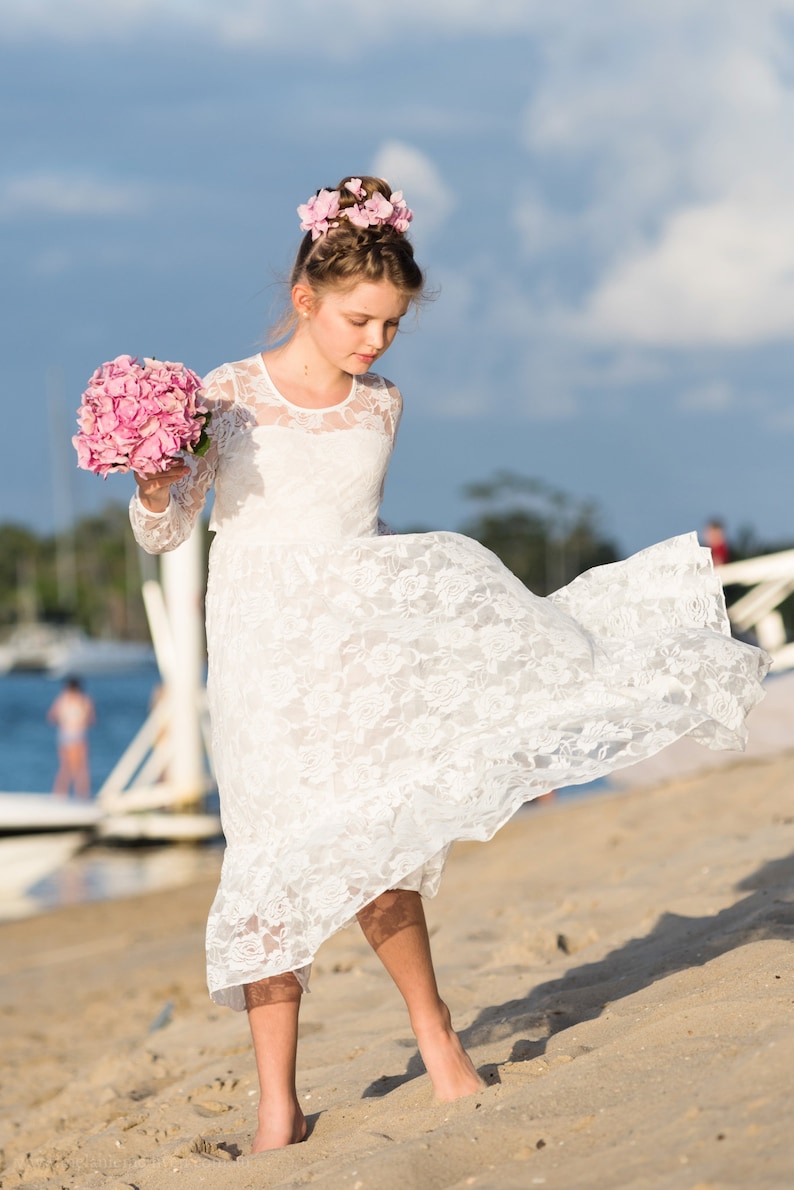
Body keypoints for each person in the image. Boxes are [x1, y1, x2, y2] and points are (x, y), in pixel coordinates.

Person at [129, 175, 769, 1152]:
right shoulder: (227, 396)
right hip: (260, 658)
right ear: (305, 298)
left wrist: (442, 632)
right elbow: (165, 532)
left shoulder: (380, 406)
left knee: (381, 853)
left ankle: (438, 1043)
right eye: (358, 320)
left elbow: (363, 534)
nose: (375, 341)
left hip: (355, 652)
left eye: (391, 324)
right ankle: (275, 1107)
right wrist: (155, 481)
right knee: (268, 860)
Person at [47, 676, 96, 798]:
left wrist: (63, 722)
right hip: (78, 736)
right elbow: (92, 719)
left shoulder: (62, 699)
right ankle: (82, 795)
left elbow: (51, 717)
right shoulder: (84, 699)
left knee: (65, 767)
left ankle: (59, 794)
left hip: (64, 736)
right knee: (82, 768)